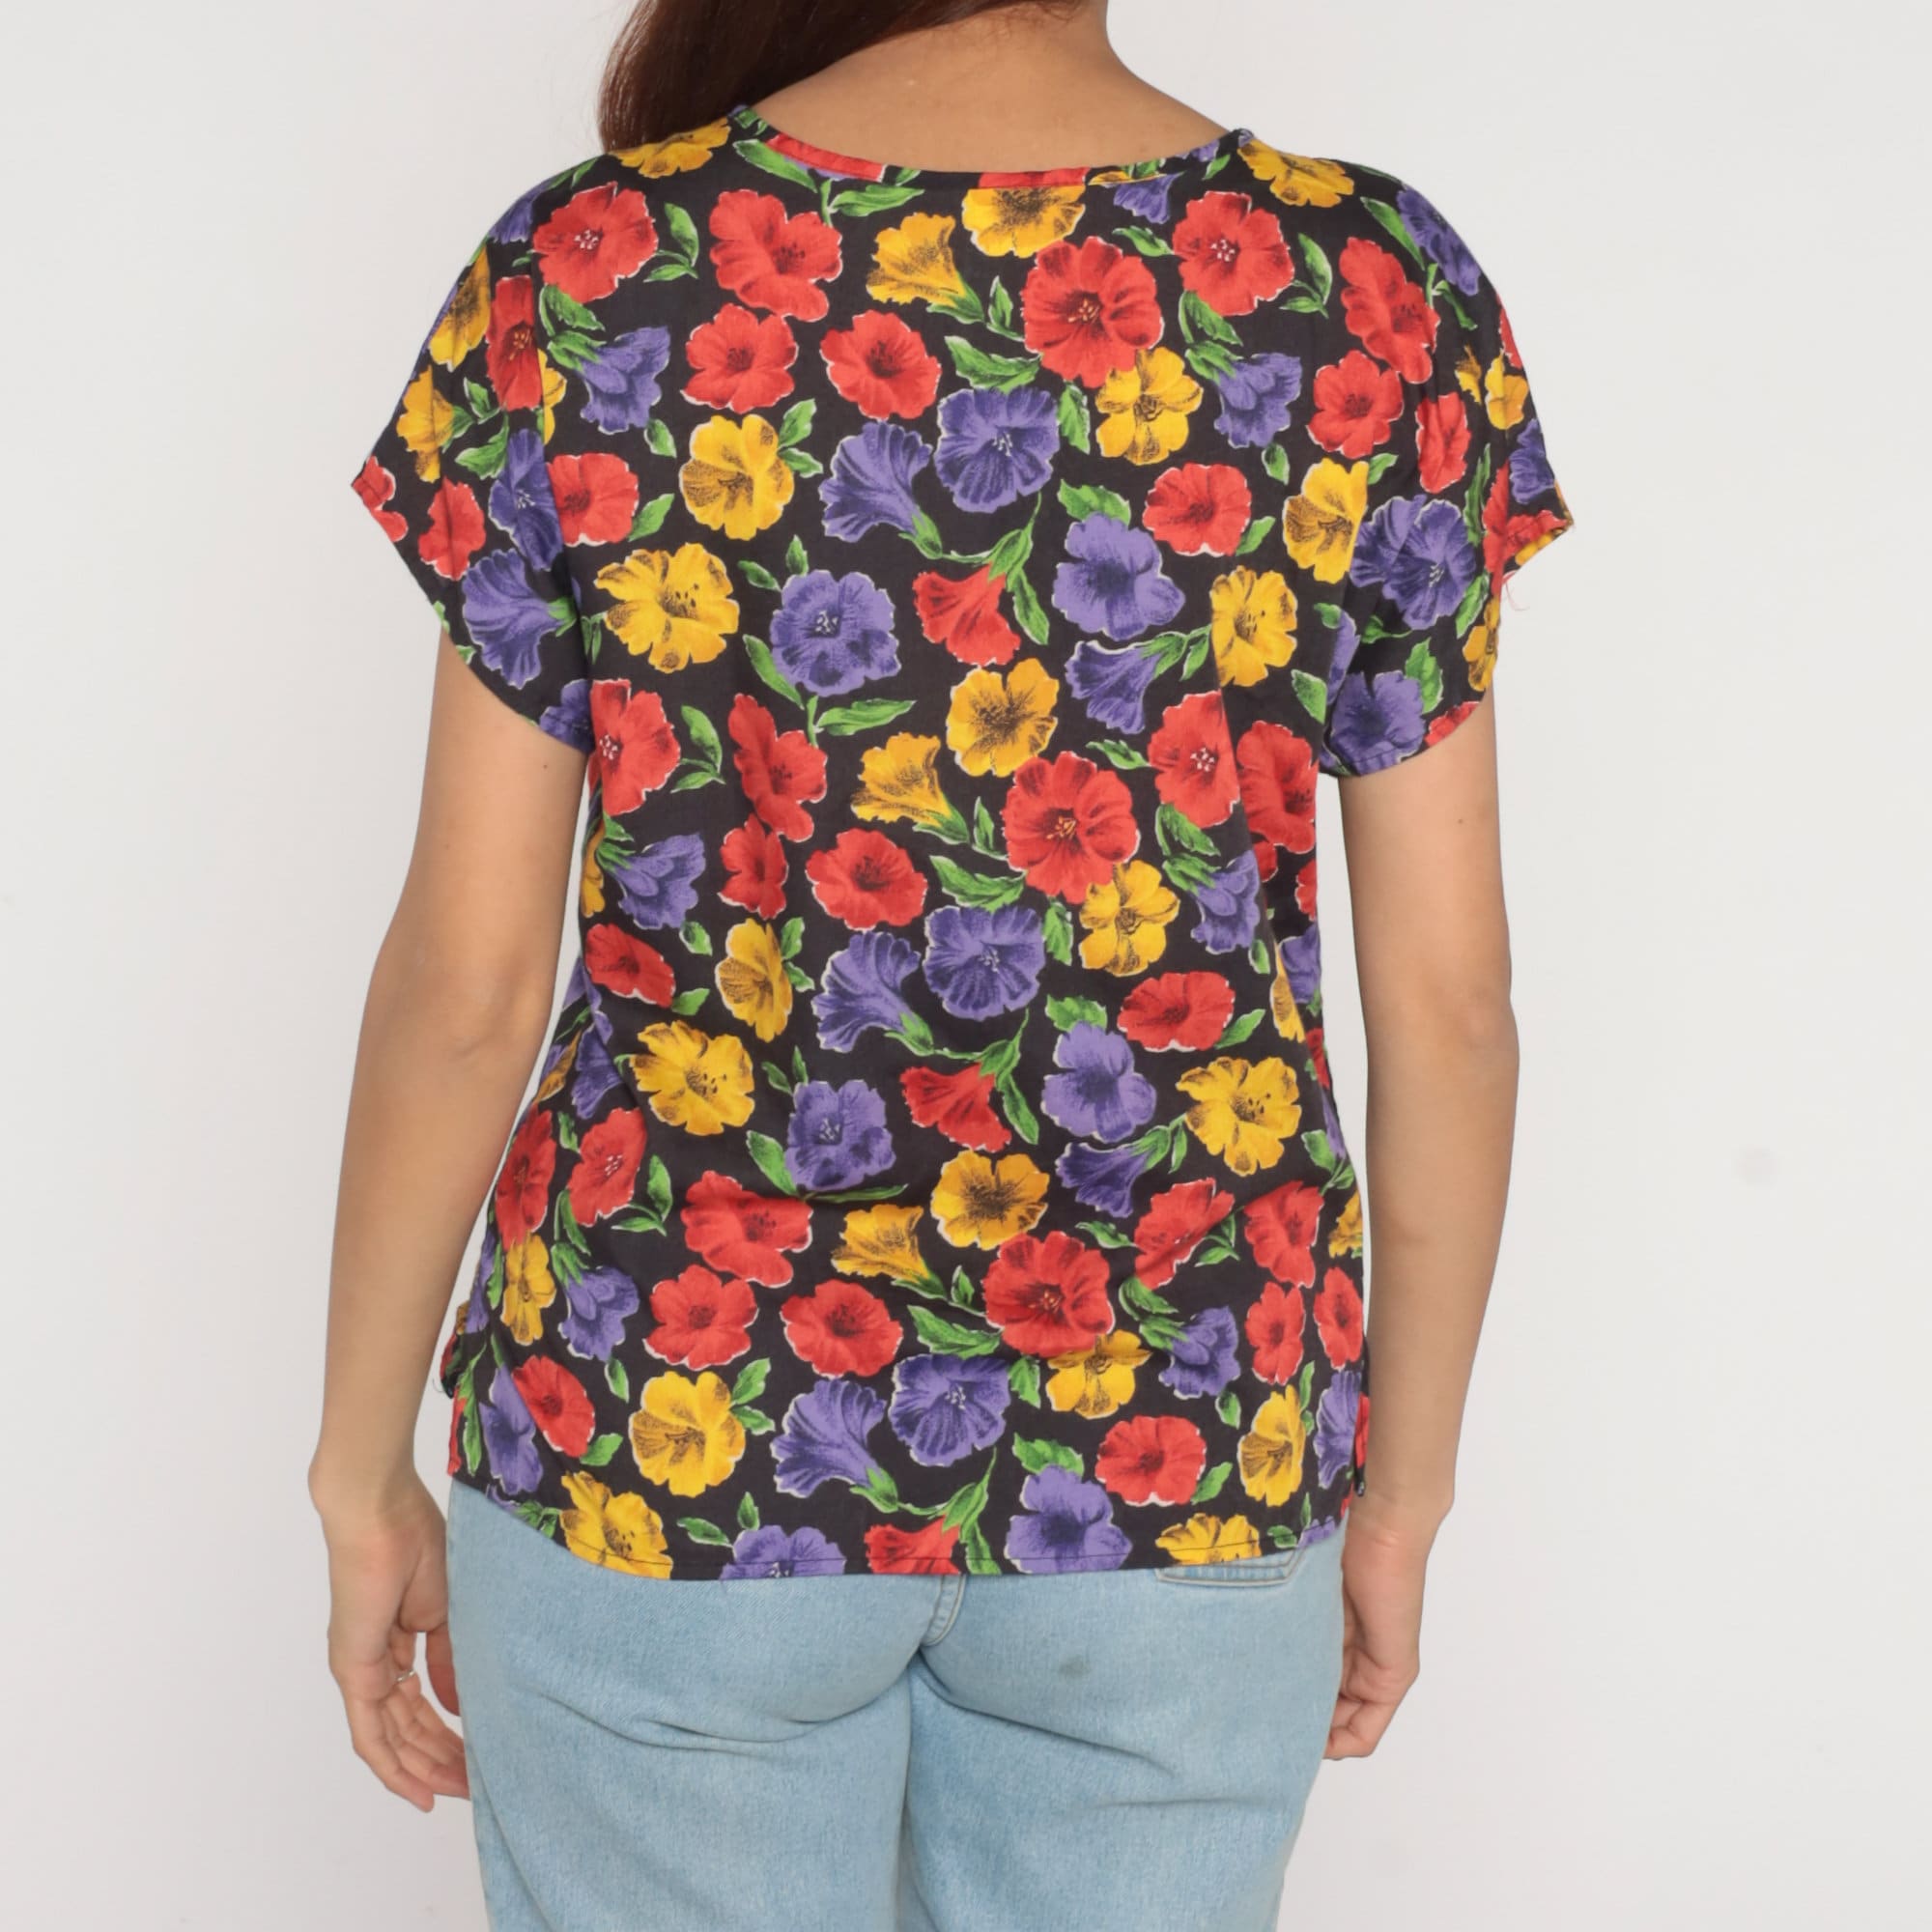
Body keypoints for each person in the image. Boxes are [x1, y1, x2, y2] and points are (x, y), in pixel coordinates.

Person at [313, 2, 1573, 1925]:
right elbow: (1452, 1007)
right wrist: (1399, 1491)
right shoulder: (1367, 286)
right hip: (1186, 1449)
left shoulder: (591, 271)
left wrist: (358, 1469)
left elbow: (466, 983)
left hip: (668, 1434)